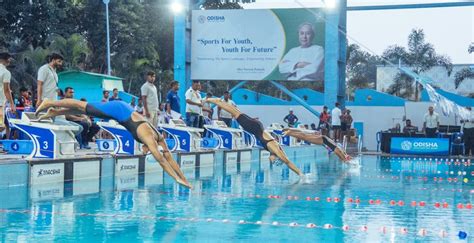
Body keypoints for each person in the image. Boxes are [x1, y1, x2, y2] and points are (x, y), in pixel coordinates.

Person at [35, 99, 191, 188]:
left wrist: (183, 179)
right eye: (146, 153)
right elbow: (162, 161)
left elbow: (169, 157)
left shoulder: (158, 138)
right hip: (118, 110)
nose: (143, 153)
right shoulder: (149, 139)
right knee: (82, 106)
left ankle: (55, 112)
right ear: (149, 149)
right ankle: (50, 103)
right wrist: (175, 178)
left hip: (124, 111)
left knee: (86, 111)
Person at [205, 97, 302, 176]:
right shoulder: (275, 148)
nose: (271, 160)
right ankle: (215, 101)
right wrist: (300, 174)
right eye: (273, 160)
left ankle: (217, 101)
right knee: (235, 112)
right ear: (277, 157)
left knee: (236, 112)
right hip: (254, 127)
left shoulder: (272, 151)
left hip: (256, 127)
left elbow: (279, 157)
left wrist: (273, 157)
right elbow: (287, 162)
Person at [282, 128, 352, 163]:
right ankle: (289, 132)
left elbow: (342, 156)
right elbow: (342, 158)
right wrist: (349, 163)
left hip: (324, 139)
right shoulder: (339, 151)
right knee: (305, 137)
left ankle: (290, 130)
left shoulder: (342, 150)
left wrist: (346, 159)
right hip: (323, 140)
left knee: (305, 135)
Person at [0, 52, 16, 146]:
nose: (10, 61)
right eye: (9, 59)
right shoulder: (6, 72)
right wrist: (12, 104)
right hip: (0, 102)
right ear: (6, 59)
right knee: (1, 126)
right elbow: (7, 90)